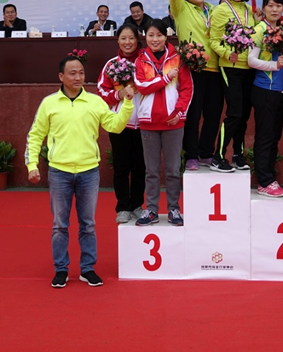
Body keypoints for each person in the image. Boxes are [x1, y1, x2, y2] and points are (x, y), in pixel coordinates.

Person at [26, 55, 135, 288]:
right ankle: (61, 270)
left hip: (89, 172)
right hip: (59, 172)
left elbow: (115, 126)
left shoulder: (95, 102)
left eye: (81, 73)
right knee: (59, 225)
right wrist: (32, 165)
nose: (78, 77)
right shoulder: (49, 103)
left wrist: (127, 104)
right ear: (61, 76)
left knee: (88, 224)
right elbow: (35, 135)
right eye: (72, 73)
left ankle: (87, 269)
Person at [155, 0, 223, 172]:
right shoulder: (181, 9)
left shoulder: (215, 10)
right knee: (192, 115)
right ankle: (191, 155)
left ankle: (206, 153)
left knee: (213, 115)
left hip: (217, 69)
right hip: (193, 70)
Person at [133, 19, 193, 226]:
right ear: (145, 37)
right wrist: (166, 79)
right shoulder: (141, 60)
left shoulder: (178, 59)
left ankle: (174, 209)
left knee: (173, 169)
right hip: (149, 122)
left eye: (159, 35)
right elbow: (142, 86)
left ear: (166, 36)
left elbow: (187, 89)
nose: (155, 39)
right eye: (151, 35)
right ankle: (151, 210)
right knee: (151, 170)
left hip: (173, 122)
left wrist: (179, 112)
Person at [209, 0, 259, 172]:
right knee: (234, 113)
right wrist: (227, 53)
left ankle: (238, 155)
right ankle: (218, 157)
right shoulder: (220, 10)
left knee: (244, 115)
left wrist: (259, 20)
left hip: (250, 68)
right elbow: (213, 40)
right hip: (230, 68)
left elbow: (256, 36)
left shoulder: (250, 10)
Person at [96, 23, 146, 224]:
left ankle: (137, 205)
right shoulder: (112, 64)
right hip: (120, 124)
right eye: (123, 38)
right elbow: (101, 91)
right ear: (117, 40)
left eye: (131, 38)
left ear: (138, 39)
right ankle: (123, 207)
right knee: (121, 167)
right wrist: (119, 94)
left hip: (144, 122)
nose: (127, 42)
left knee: (140, 167)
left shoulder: (146, 61)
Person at [247, 0, 283, 198]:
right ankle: (264, 181)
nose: (274, 9)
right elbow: (251, 60)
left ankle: (269, 177)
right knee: (265, 136)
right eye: (270, 5)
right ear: (263, 8)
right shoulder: (259, 29)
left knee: (274, 137)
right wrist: (274, 65)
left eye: (278, 6)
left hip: (281, 91)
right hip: (264, 89)